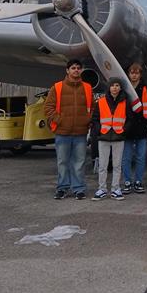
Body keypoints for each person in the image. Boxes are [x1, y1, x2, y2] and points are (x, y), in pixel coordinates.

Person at [45, 59, 92, 200]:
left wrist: (87, 120)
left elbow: (93, 108)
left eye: (78, 68)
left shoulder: (88, 88)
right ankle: (62, 188)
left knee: (79, 162)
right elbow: (48, 108)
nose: (76, 70)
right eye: (73, 68)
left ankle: (79, 189)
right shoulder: (57, 87)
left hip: (80, 132)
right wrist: (59, 120)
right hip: (62, 132)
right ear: (67, 70)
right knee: (63, 162)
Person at [91, 78, 128, 200]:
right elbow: (95, 119)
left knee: (117, 165)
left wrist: (124, 130)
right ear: (109, 88)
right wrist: (99, 130)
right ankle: (101, 189)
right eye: (112, 85)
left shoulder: (125, 102)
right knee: (102, 165)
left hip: (118, 137)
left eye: (117, 85)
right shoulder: (100, 102)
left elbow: (130, 119)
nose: (115, 87)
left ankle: (115, 188)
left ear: (120, 88)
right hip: (104, 137)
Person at [122, 62, 147, 195]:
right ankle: (127, 181)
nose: (134, 75)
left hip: (142, 127)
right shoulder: (124, 90)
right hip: (127, 128)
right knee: (126, 157)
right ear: (128, 74)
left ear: (140, 74)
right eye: (132, 72)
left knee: (141, 157)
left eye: (137, 72)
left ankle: (138, 181)